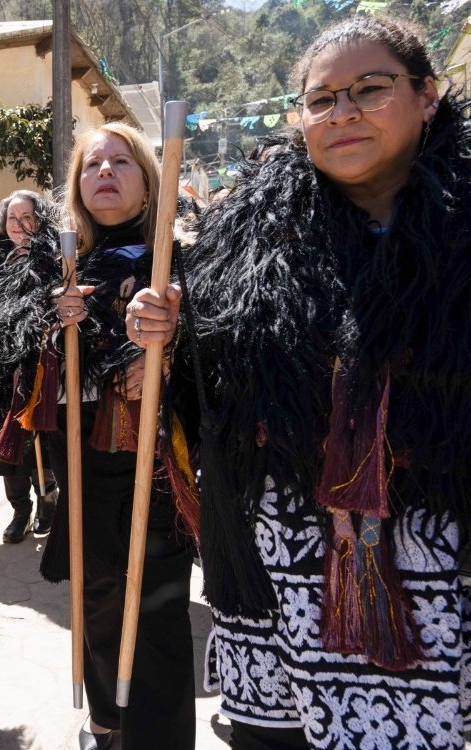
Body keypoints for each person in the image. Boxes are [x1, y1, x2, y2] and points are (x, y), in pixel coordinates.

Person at [124, 16, 471, 748]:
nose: (342, 113)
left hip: (442, 545)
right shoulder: (248, 244)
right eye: (321, 99)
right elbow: (219, 402)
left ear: (427, 96)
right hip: (285, 553)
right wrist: (174, 334)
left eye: (370, 89)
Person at [47, 123, 195, 750]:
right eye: (92, 164)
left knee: (157, 608)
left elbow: (228, 353)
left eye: (122, 161)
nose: (105, 172)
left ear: (149, 181)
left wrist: (174, 342)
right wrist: (53, 331)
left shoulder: (184, 260)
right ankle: (107, 718)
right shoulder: (55, 266)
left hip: (159, 466)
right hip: (84, 461)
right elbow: (13, 381)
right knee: (99, 596)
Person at [0, 190, 60, 544]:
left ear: (40, 220)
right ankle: (20, 510)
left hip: (40, 364)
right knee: (7, 442)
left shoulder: (53, 260)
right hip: (1, 366)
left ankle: (47, 503)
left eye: (27, 218)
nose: (18, 226)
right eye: (12, 219)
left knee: (41, 442)